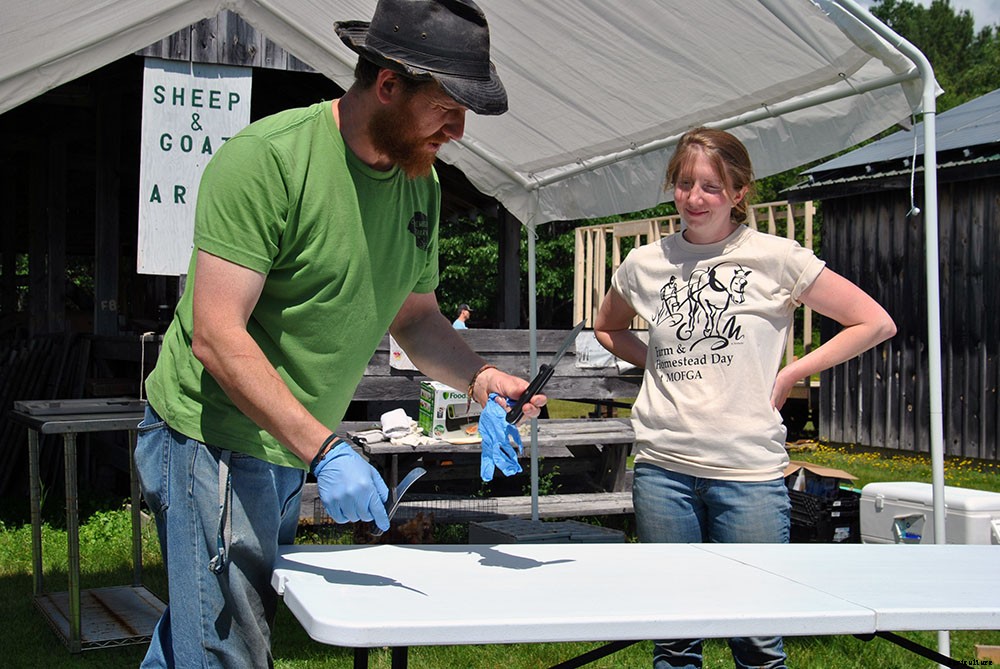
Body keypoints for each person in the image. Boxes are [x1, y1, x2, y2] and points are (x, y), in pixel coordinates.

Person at [133, 1, 544, 666]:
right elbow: (214, 333)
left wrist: (481, 377)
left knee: (207, 623)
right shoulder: (267, 162)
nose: (460, 128)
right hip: (209, 434)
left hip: (291, 439)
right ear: (387, 85)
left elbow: (414, 318)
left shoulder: (422, 185)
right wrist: (325, 447)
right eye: (448, 105)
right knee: (226, 642)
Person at [594, 127, 896, 669]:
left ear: (739, 192)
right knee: (675, 640)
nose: (694, 198)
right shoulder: (644, 263)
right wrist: (656, 361)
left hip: (749, 475)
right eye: (684, 184)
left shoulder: (777, 257)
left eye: (711, 186)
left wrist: (791, 374)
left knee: (756, 640)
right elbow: (607, 327)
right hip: (663, 470)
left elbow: (874, 322)